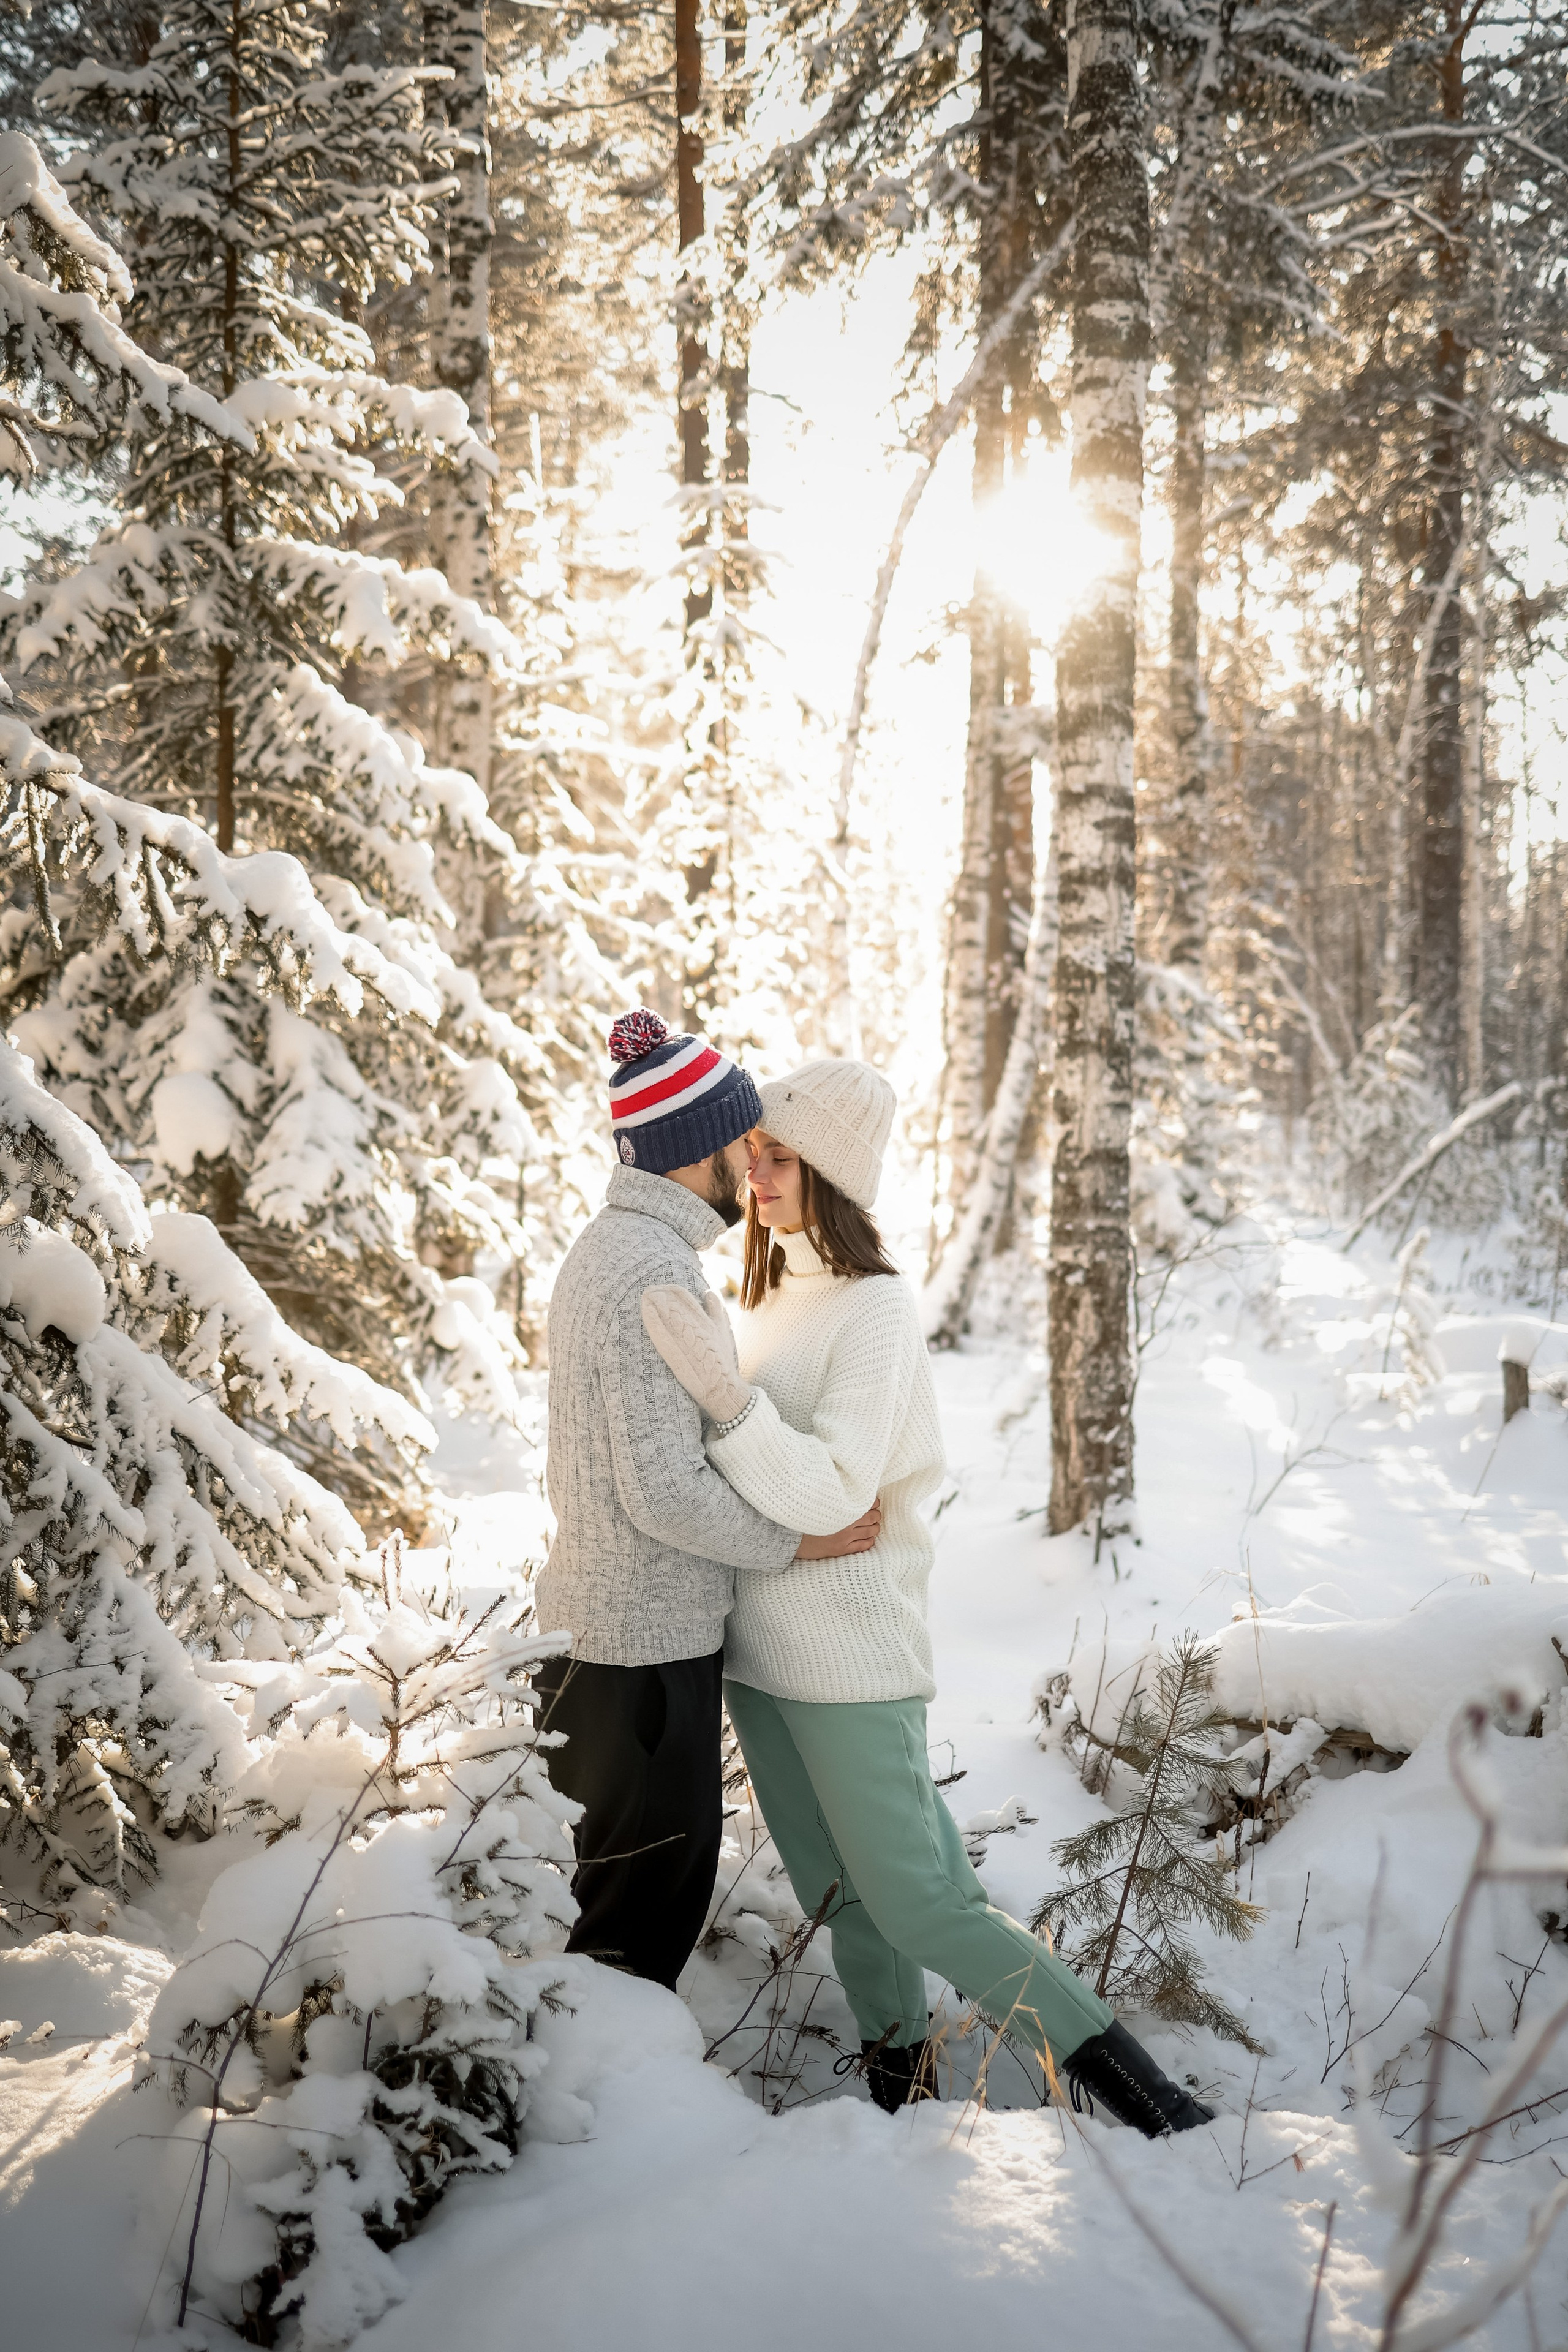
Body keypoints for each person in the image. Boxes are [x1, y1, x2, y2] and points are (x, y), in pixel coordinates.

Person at [640, 1057, 1213, 2136]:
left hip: (853, 1664)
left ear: (835, 1179)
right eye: (752, 1153)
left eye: (779, 1158)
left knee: (921, 1902)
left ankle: (1155, 2107)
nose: (753, 1176)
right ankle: (900, 2103)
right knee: (838, 1896)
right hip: (759, 1662)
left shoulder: (875, 1312)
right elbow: (759, 1490)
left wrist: (725, 1405)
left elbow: (826, 1487)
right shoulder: (766, 1301)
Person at [533, 1010, 880, 1994]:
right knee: (636, 1928)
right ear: (696, 1148)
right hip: (638, 1656)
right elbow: (663, 1493)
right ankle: (594, 2129)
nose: (752, 1162)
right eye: (741, 1141)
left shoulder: (624, 1251)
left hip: (614, 1644)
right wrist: (794, 1542)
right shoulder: (650, 1269)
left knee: (620, 1910)